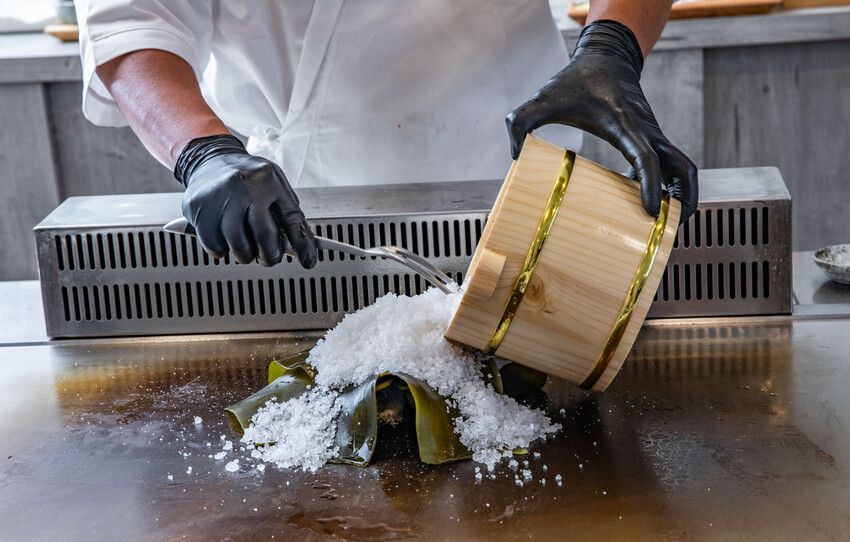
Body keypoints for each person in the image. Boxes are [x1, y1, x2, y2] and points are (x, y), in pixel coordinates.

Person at [77, 0, 697, 270]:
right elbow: (132, 22)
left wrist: (612, 46)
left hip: (521, 181)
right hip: (305, 216)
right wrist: (202, 150)